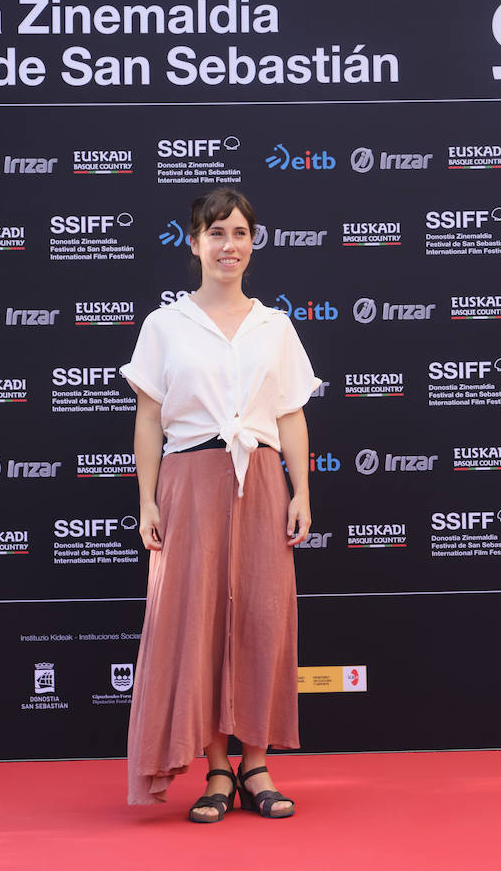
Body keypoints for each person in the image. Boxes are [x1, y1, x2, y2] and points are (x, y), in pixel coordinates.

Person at [121, 188, 321, 822]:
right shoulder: (165, 325)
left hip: (260, 479)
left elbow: (290, 415)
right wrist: (147, 499)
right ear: (194, 242)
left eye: (239, 233)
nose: (228, 245)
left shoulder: (275, 326)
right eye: (216, 233)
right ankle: (215, 769)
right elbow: (149, 417)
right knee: (198, 620)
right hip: (190, 479)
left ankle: (255, 765)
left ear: (253, 244)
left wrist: (301, 490)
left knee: (262, 615)